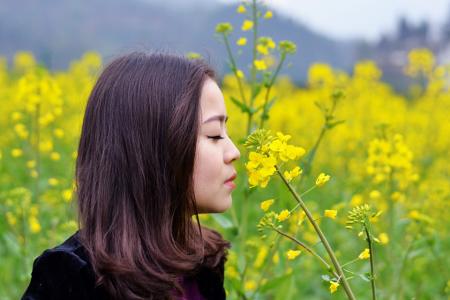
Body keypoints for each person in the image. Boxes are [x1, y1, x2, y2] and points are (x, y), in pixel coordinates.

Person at [21, 51, 241, 300]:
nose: (234, 152)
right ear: (154, 150)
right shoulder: (69, 279)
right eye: (214, 134)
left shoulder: (202, 264)